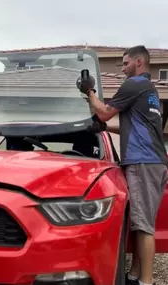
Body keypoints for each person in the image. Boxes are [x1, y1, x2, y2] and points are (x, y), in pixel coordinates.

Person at [77, 45, 168, 285]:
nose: (123, 67)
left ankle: (146, 282)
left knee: (144, 225)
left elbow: (105, 112)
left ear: (139, 62)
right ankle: (135, 275)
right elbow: (131, 125)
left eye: (126, 62)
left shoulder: (134, 84)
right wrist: (104, 128)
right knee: (141, 222)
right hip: (155, 162)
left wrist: (90, 92)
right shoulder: (150, 90)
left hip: (142, 162)